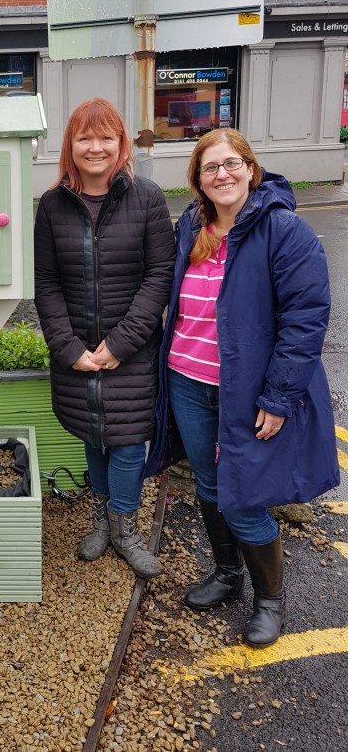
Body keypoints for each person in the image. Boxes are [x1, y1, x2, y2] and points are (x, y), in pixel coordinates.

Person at [152, 129, 339, 647]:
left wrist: (279, 397)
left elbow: (305, 319)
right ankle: (227, 574)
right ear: (198, 180)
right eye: (211, 167)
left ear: (251, 169)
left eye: (232, 163)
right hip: (187, 381)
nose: (223, 175)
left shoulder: (284, 231)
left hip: (248, 390)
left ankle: (270, 601)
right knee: (210, 485)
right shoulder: (191, 227)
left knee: (244, 496)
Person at [34, 98, 175, 579]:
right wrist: (69, 349)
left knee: (129, 443)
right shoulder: (52, 205)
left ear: (121, 144)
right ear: (70, 146)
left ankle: (125, 529)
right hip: (77, 353)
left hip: (132, 352)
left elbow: (159, 277)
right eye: (85, 138)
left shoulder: (148, 198)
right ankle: (101, 522)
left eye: (106, 138)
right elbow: (46, 283)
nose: (95, 147)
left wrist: (119, 344)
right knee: (94, 436)